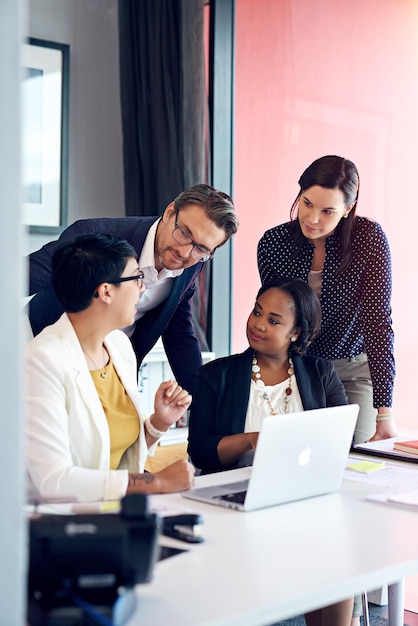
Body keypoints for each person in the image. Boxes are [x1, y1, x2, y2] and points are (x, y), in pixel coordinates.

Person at [188, 277, 353, 626]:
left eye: (274, 320)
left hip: (303, 498)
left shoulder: (320, 373)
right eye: (257, 312)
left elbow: (340, 439)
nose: (258, 324)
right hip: (240, 504)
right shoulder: (216, 375)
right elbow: (200, 452)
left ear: (296, 332)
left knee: (337, 547)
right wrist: (250, 440)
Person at [25, 233, 196, 502]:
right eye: (137, 277)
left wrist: (157, 423)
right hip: (60, 524)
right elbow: (54, 481)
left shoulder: (118, 346)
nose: (142, 288)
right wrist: (157, 480)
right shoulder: (41, 361)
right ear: (106, 291)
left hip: (115, 514)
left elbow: (115, 452)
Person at [27, 184, 239, 394]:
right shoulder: (93, 235)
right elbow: (21, 276)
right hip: (45, 354)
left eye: (201, 248)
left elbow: (179, 334)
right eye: (184, 233)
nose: (185, 252)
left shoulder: (195, 263)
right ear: (169, 212)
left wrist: (208, 400)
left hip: (115, 371)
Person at [257, 155, 396, 445]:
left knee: (352, 453)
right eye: (307, 203)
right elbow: (276, 321)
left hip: (352, 369)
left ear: (348, 209)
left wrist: (384, 414)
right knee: (292, 451)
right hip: (298, 367)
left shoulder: (368, 240)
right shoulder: (273, 243)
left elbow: (377, 323)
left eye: (328, 211)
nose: (312, 219)